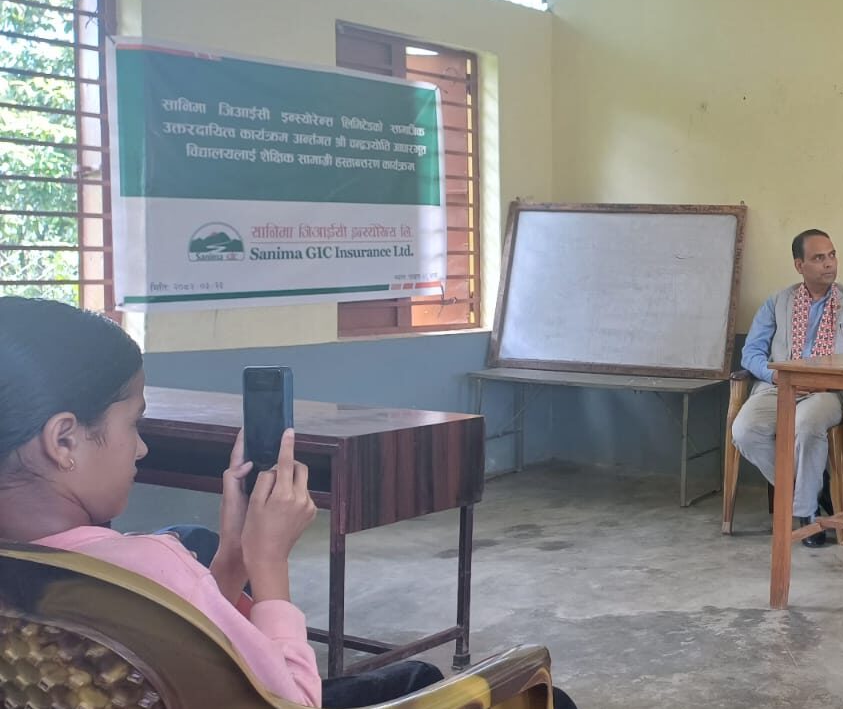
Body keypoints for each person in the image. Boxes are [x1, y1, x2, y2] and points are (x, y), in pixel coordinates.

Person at [0, 297, 575, 709]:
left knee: (418, 673)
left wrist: (231, 557)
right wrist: (270, 564)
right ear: (64, 440)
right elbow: (295, 700)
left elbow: (178, 643)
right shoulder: (148, 565)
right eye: (134, 423)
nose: (142, 447)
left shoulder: (84, 573)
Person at [733, 229, 843, 548]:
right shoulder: (777, 302)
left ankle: (806, 514)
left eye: (832, 255)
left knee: (805, 424)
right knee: (745, 431)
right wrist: (775, 377)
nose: (829, 263)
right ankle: (812, 488)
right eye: (818, 258)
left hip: (829, 391)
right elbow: (751, 352)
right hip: (780, 386)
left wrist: (826, 381)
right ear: (799, 265)